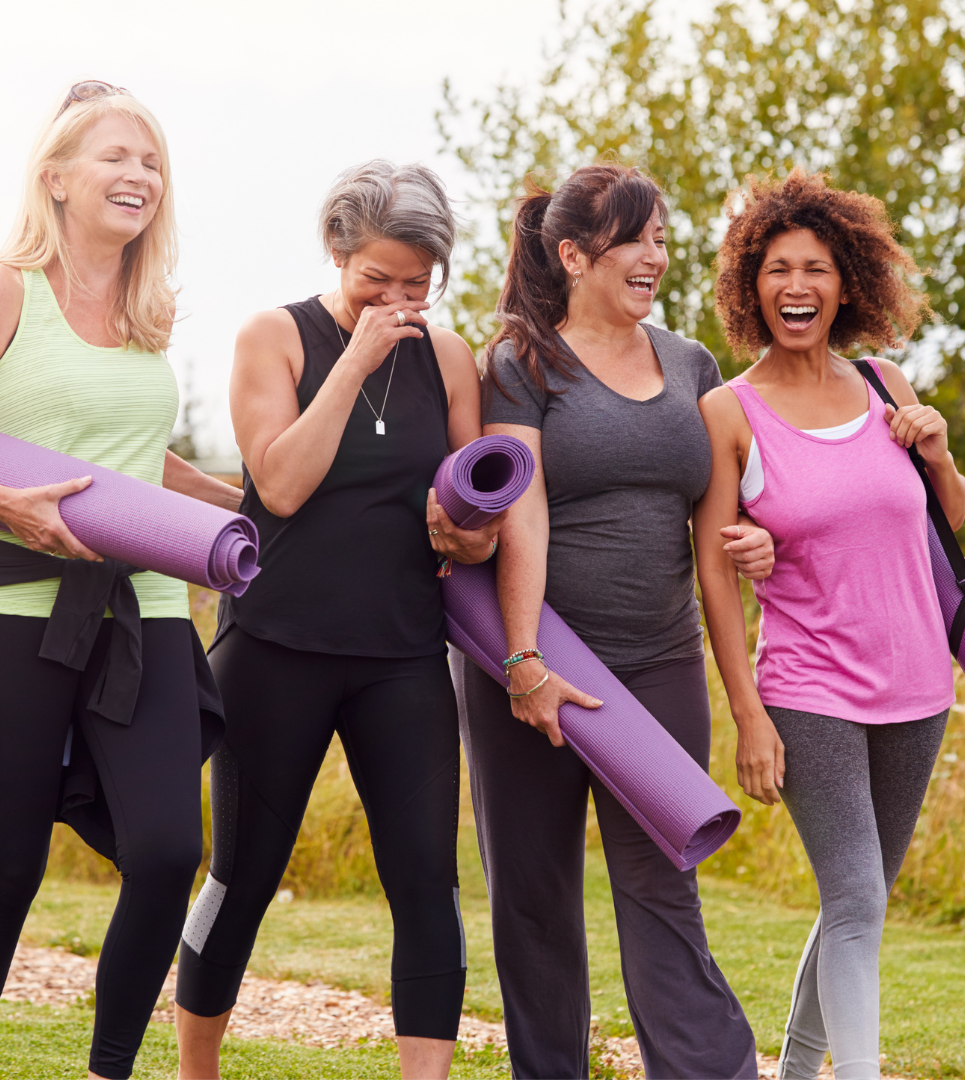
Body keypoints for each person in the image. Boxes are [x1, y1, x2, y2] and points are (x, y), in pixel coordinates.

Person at [0, 82, 241, 1080]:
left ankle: (110, 1072)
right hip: (10, 608)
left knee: (170, 851)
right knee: (8, 867)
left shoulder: (145, 310)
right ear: (55, 176)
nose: (139, 175)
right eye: (116, 157)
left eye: (152, 161)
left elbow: (133, 459)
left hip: (146, 606)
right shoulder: (4, 286)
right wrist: (10, 508)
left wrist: (248, 509)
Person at [172, 160, 499, 1080]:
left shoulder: (448, 357)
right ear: (338, 252)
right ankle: (197, 1072)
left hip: (401, 656)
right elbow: (277, 482)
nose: (397, 301)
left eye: (416, 286)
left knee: (427, 889)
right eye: (376, 282)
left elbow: (472, 503)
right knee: (240, 882)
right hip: (275, 646)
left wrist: (470, 535)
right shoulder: (272, 337)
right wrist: (355, 358)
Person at [452, 163, 770, 1080]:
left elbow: (721, 528)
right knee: (536, 898)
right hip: (541, 659)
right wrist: (521, 660)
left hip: (660, 662)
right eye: (638, 239)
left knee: (663, 885)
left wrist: (758, 548)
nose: (657, 258)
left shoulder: (692, 365)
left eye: (664, 240)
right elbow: (523, 508)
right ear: (574, 253)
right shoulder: (521, 360)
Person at [694, 169, 959, 1080]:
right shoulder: (729, 412)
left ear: (847, 282)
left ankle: (799, 1071)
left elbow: (948, 527)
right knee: (854, 897)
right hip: (809, 689)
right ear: (749, 285)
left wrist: (940, 457)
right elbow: (714, 576)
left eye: (814, 267)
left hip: (921, 686)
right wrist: (748, 715)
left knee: (864, 900)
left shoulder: (887, 385)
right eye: (775, 268)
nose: (795, 285)